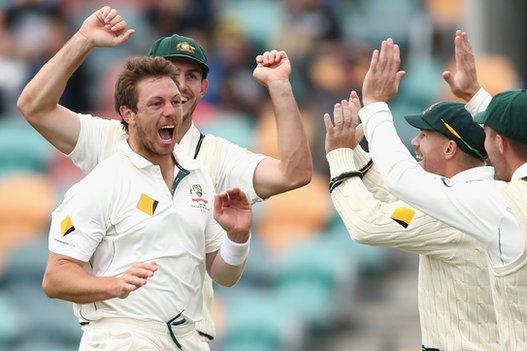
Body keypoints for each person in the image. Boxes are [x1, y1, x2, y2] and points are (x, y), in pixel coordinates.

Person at [17, 5, 312, 341]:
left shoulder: (212, 161)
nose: (181, 88)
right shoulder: (110, 140)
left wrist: (280, 86)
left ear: (203, 88)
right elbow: (33, 106)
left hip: (189, 334)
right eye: (173, 75)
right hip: (126, 333)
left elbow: (294, 173)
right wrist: (83, 40)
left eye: (192, 77)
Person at [359, 37, 527, 350]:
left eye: (486, 135)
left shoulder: (498, 206)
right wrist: (474, 95)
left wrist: (374, 106)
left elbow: (401, 179)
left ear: (499, 144)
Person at [42, 52, 251, 350]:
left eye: (176, 102)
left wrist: (238, 238)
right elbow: (55, 277)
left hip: (187, 339)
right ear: (128, 114)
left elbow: (224, 275)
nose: (171, 112)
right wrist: (112, 285)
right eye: (156, 104)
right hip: (123, 337)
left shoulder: (198, 177)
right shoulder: (104, 182)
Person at [324, 91, 499, 350]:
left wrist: (338, 155)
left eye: (424, 135)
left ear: (450, 148)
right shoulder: (471, 191)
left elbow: (366, 225)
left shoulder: (456, 205)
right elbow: (399, 200)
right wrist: (353, 150)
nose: (415, 142)